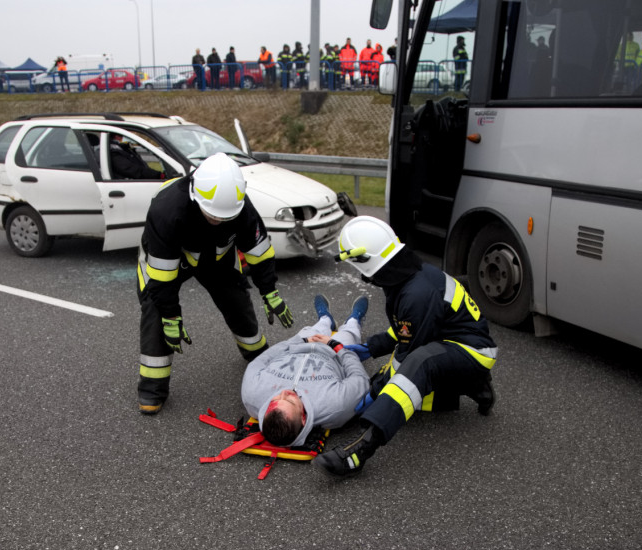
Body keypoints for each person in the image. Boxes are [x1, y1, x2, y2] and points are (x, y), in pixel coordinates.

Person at [313, 216, 498, 476]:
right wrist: (370, 348)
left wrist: (375, 390)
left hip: (473, 351)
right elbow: (405, 327)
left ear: (365, 261)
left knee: (417, 366)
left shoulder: (416, 293)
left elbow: (406, 358)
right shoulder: (407, 275)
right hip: (452, 340)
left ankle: (361, 448)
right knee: (414, 399)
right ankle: (474, 385)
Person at [135, 152, 294, 415]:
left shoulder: (240, 207)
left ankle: (256, 353)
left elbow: (259, 252)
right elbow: (162, 278)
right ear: (196, 196)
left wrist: (269, 291)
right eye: (212, 215)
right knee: (156, 311)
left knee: (236, 297)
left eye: (224, 216)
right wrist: (171, 315)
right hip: (171, 258)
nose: (218, 220)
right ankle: (152, 389)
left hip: (216, 256)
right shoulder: (167, 209)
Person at [242, 295, 370, 447]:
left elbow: (262, 359)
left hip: (297, 346)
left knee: (314, 329)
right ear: (303, 419)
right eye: (290, 401)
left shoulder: (252, 395)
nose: (285, 393)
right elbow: (360, 379)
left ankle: (325, 319)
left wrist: (299, 341)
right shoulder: (335, 406)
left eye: (274, 400)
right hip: (333, 353)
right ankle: (354, 320)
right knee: (350, 333)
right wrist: (337, 347)